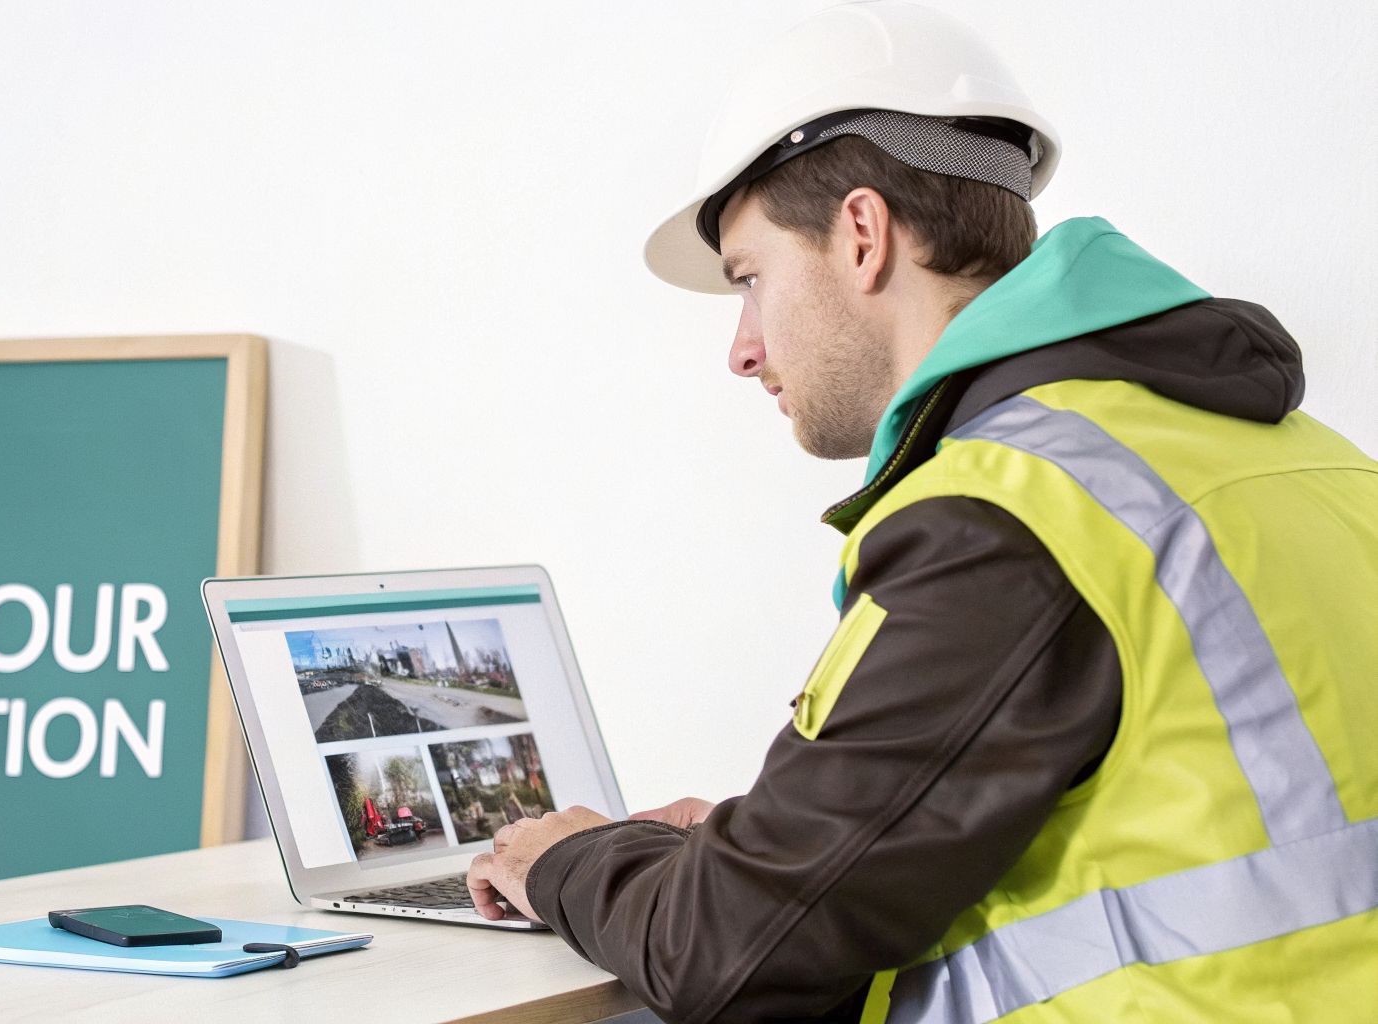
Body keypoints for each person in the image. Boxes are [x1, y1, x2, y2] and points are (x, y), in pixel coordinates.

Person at [463, 3, 1378, 1021]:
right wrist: (765, 837)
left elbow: (729, 951)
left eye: (750, 280)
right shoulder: (1294, 460)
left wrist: (569, 856)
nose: (742, 348)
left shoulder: (1007, 512)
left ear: (860, 234)